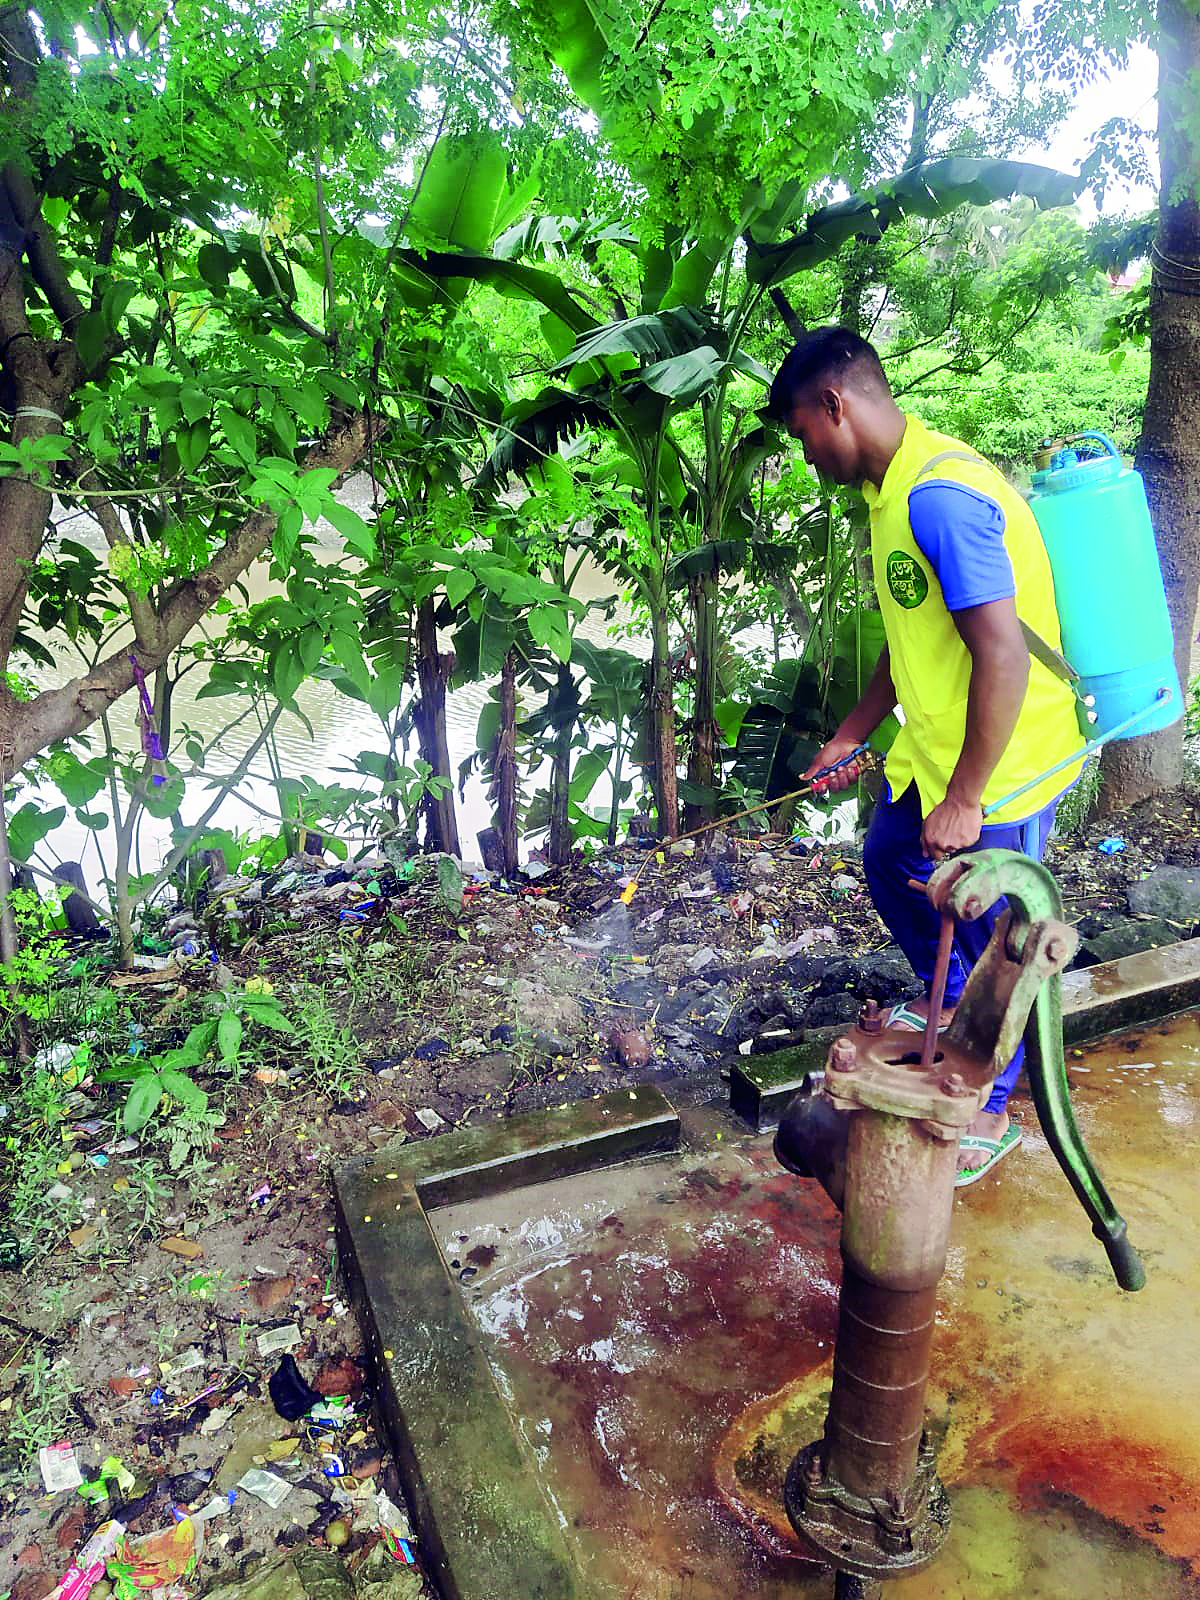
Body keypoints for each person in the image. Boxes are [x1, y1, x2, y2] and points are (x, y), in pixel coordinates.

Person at [768, 327, 1084, 1186]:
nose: (806, 456)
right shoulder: (889, 490)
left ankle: (985, 1108)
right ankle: (944, 1008)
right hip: (937, 749)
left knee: (999, 938)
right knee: (888, 857)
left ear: (836, 405)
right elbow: (908, 636)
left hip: (1005, 756)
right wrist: (852, 733)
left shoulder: (939, 497)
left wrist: (969, 795)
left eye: (802, 435)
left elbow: (1003, 654)